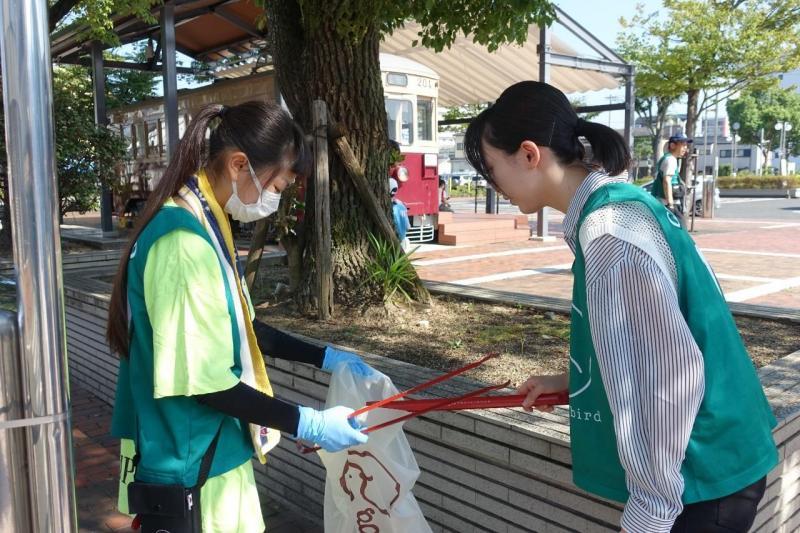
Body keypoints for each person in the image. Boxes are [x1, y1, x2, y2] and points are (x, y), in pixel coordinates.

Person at [464, 81, 777, 533]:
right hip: (714, 461)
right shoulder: (620, 208)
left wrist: (650, 509)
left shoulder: (608, 234)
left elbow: (669, 377)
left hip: (700, 477)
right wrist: (575, 381)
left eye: (491, 168)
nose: (493, 184)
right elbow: (653, 343)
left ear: (529, 154)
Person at [107, 101, 373, 533]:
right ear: (238, 165)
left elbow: (243, 330)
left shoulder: (205, 223)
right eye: (277, 186)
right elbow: (208, 382)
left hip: (208, 450)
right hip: (193, 460)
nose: (275, 199)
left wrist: (325, 357)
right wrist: (308, 423)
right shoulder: (183, 244)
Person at [652, 134, 691, 225]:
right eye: (683, 145)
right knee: (680, 230)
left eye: (686, 145)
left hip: (664, 203)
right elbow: (667, 181)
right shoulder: (670, 160)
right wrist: (671, 205)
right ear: (673, 145)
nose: (685, 148)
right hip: (668, 204)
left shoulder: (668, 158)